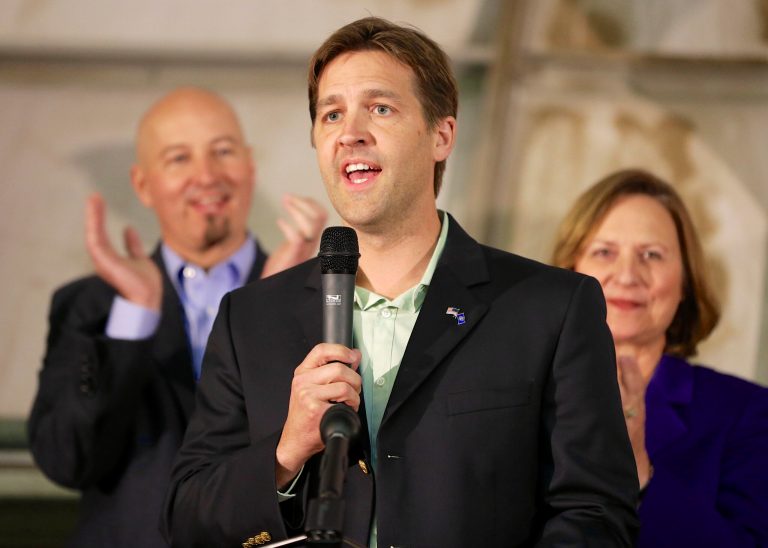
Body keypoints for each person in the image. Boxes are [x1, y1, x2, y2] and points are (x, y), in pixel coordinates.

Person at [163, 18, 639, 547]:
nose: (351, 133)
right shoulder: (250, 319)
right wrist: (285, 451)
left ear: (442, 135)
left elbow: (594, 513)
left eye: (381, 108)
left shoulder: (549, 308)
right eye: (332, 114)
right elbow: (188, 519)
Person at [27, 87, 328, 548]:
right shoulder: (90, 306)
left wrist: (273, 306)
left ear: (249, 166)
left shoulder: (315, 295)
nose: (206, 176)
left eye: (222, 152)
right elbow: (67, 460)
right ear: (144, 185)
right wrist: (134, 318)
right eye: (178, 159)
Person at [552, 168, 768, 546]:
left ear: (685, 282)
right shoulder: (516, 391)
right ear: (571, 268)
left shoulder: (747, 412)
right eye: (604, 252)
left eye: (651, 255)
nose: (627, 274)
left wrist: (639, 471)